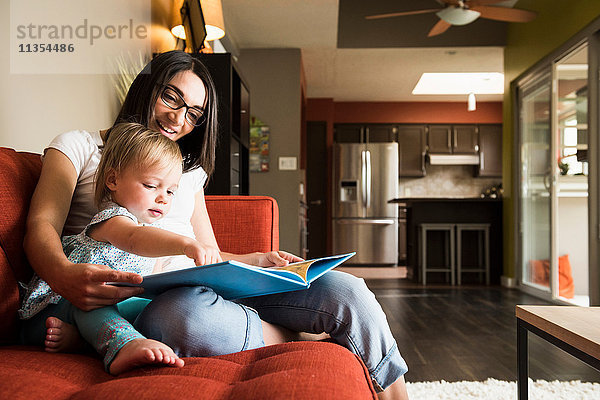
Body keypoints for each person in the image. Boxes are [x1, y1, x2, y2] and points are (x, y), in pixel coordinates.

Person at [22, 50, 409, 399]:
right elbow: (41, 225)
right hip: (155, 303)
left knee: (344, 289)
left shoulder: (189, 174)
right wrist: (63, 274)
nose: (179, 119)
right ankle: (293, 334)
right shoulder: (79, 146)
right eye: (171, 97)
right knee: (184, 318)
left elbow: (208, 253)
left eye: (193, 112)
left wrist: (258, 260)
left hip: (205, 285)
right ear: (145, 87)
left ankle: (397, 395)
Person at [20, 122, 221, 374]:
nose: (163, 197)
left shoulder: (145, 231)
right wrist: (186, 244)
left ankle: (81, 340)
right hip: (57, 307)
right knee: (94, 306)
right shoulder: (112, 220)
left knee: (152, 308)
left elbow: (147, 286)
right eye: (151, 186)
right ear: (113, 180)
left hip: (97, 310)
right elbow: (135, 238)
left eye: (171, 191)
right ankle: (124, 345)